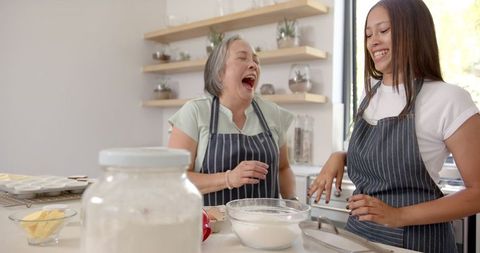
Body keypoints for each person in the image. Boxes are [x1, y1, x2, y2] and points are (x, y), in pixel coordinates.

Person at [308, 0, 480, 252]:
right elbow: (380, 159)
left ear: (413, 32)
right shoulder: (370, 98)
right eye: (368, 34)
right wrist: (341, 156)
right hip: (360, 238)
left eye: (384, 31)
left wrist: (398, 216)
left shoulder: (448, 98)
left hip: (417, 243)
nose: (372, 41)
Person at [168, 35, 296, 206]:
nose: (253, 65)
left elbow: (283, 168)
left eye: (255, 61)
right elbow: (174, 178)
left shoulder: (272, 113)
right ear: (220, 73)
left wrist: (293, 203)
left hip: (265, 227)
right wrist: (229, 178)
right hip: (212, 229)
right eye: (242, 58)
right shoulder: (195, 112)